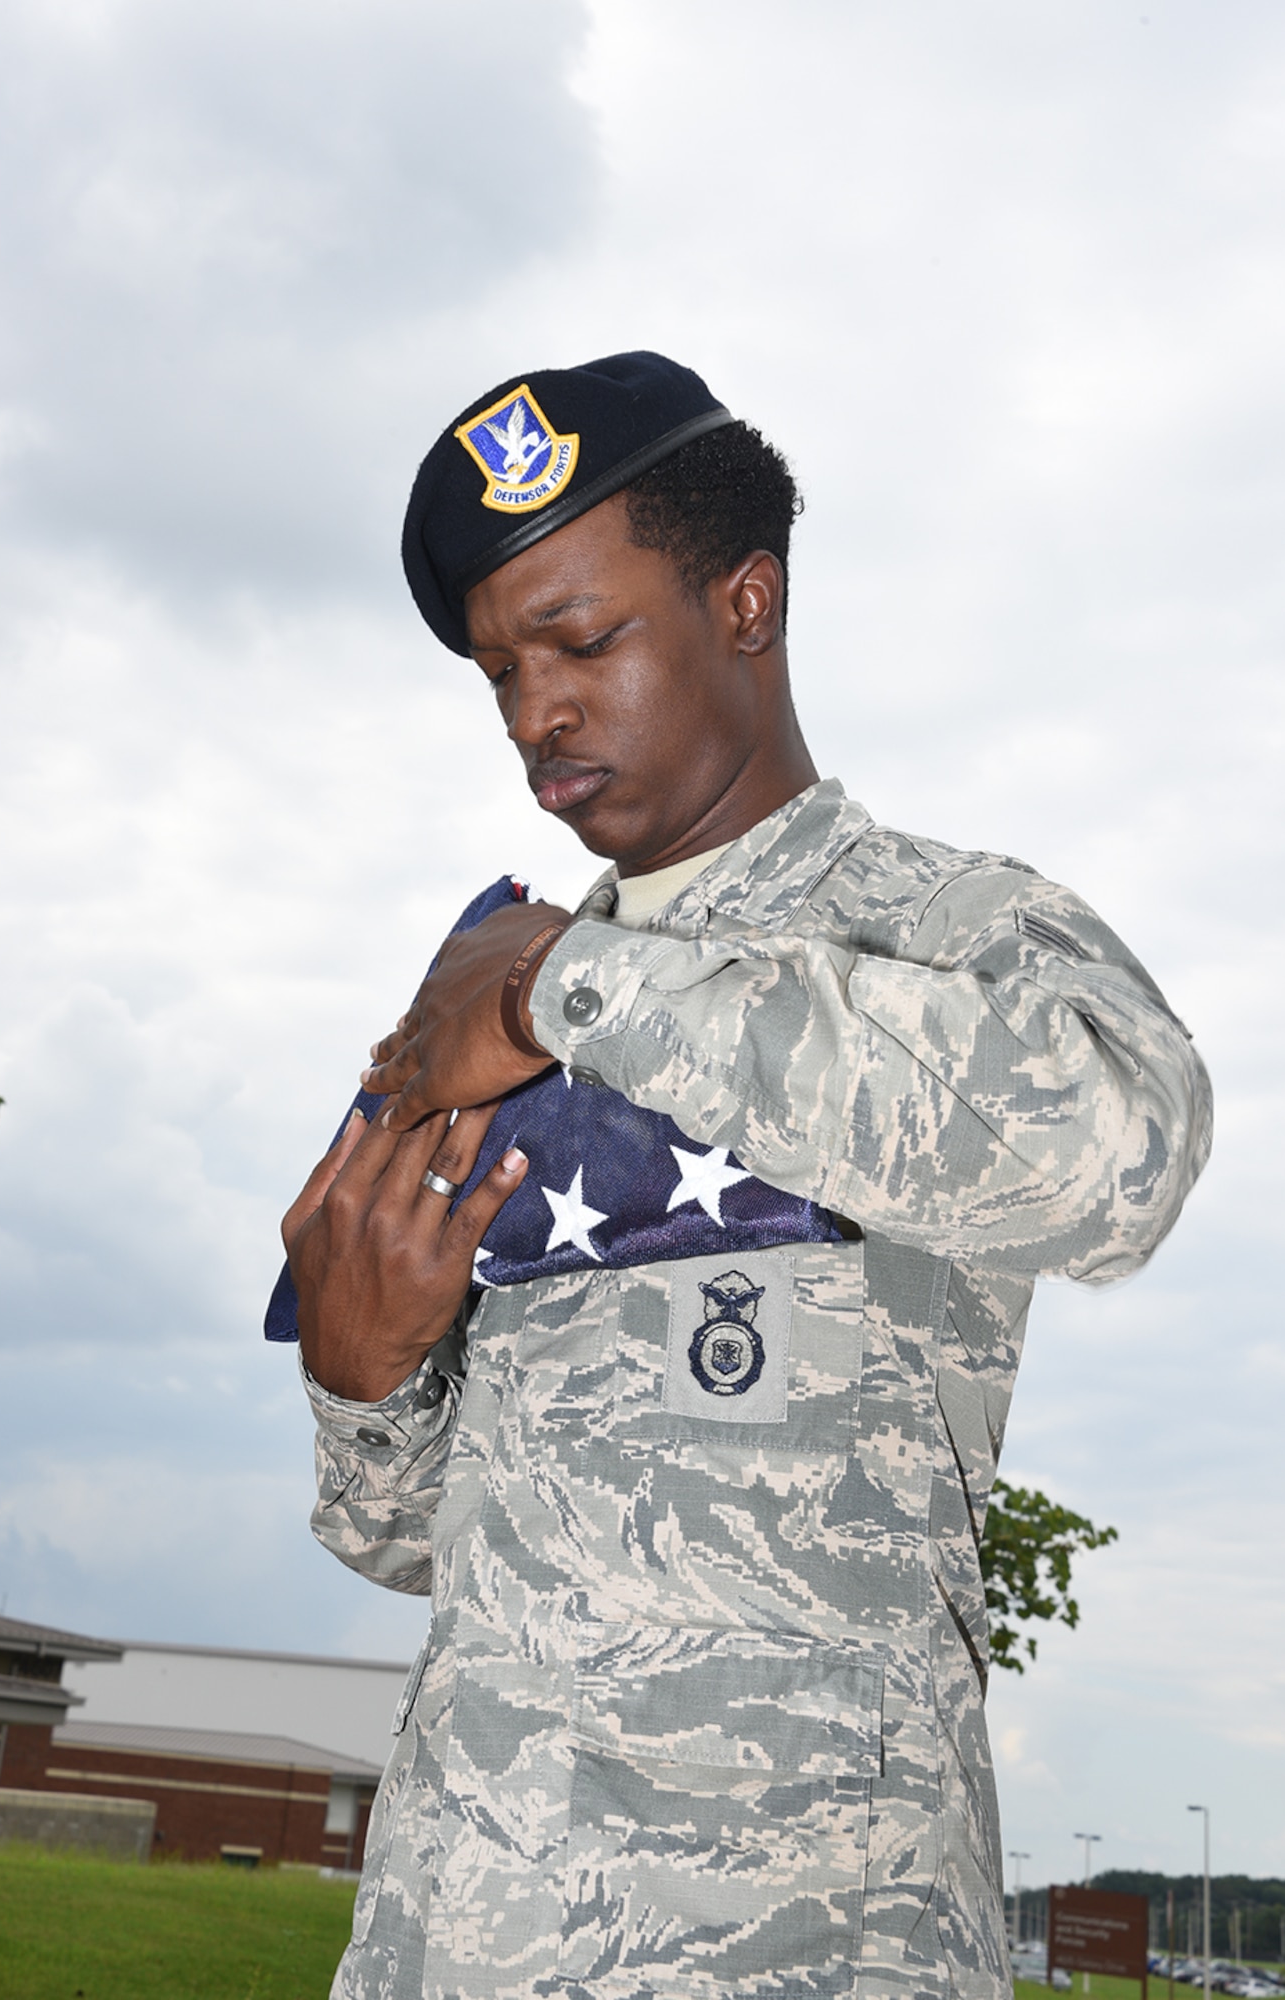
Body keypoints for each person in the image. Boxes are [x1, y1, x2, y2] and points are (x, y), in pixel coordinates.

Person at [277, 352, 1211, 2000]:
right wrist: (363, 1390)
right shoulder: (468, 1007)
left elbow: (1121, 1154)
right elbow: (421, 1539)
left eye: (581, 642)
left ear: (748, 600)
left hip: (801, 1951)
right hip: (460, 1933)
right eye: (499, 673)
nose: (534, 714)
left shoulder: (939, 931)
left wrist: (571, 993)